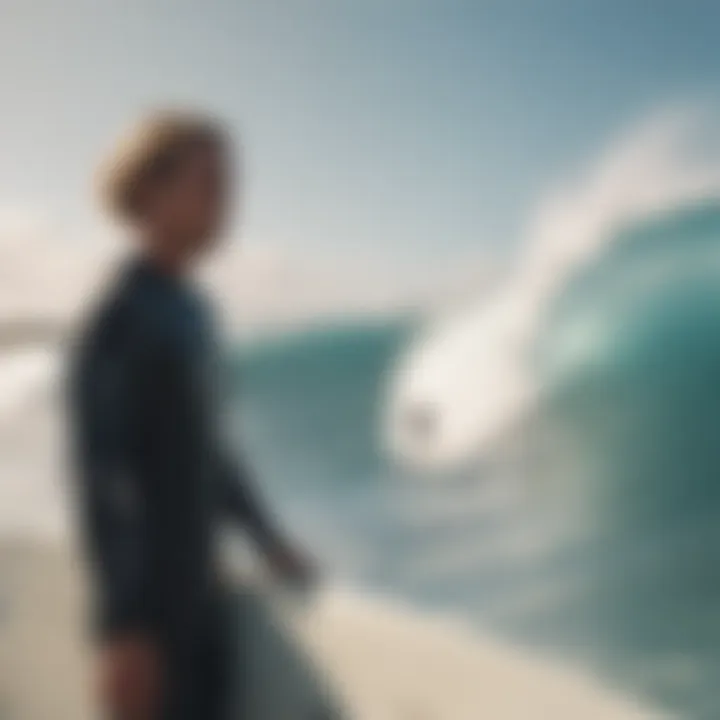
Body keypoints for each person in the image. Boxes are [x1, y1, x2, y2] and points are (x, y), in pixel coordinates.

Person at [68, 111, 313, 720]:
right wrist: (124, 627)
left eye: (230, 185)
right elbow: (101, 476)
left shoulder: (194, 312)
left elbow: (211, 452)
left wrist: (268, 538)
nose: (226, 200)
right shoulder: (119, 317)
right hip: (153, 622)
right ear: (149, 191)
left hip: (205, 598)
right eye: (210, 181)